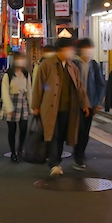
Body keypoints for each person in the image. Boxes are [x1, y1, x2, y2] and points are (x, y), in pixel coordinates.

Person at [32, 38, 91, 177]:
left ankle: (56, 161)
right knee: (53, 135)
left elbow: (80, 88)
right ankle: (54, 163)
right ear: (61, 50)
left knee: (62, 135)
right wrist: (36, 106)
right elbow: (38, 86)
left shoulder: (72, 67)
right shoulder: (47, 65)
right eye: (68, 49)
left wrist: (85, 104)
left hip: (68, 109)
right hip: (50, 108)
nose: (70, 52)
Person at [72, 39, 106, 170]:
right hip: (76, 105)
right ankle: (78, 155)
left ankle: (81, 153)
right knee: (78, 130)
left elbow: (100, 84)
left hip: (90, 103)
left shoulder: (94, 65)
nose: (89, 50)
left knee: (85, 131)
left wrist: (98, 103)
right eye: (86, 48)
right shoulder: (74, 64)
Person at [0, 52, 31, 163]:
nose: (21, 61)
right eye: (19, 59)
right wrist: (9, 108)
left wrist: (31, 107)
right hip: (11, 101)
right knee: (12, 130)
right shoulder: (8, 74)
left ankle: (20, 150)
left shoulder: (26, 74)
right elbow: (4, 92)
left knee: (23, 129)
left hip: (23, 102)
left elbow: (29, 91)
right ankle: (13, 152)